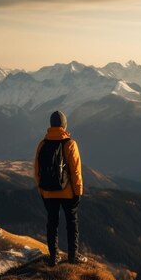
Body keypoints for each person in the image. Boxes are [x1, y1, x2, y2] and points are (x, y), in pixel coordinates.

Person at [34, 110, 87, 266]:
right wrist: (78, 192)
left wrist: (42, 191)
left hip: (48, 192)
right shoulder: (70, 144)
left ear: (51, 125)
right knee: (72, 223)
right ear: (64, 125)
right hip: (68, 192)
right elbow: (76, 172)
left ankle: (54, 257)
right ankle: (73, 256)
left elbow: (37, 170)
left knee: (52, 223)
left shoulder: (42, 144)